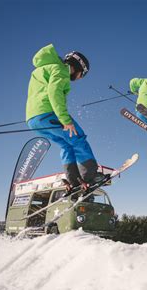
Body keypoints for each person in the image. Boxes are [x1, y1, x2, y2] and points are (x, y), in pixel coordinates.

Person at [26, 44, 104, 193]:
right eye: (83, 74)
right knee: (78, 138)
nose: (80, 78)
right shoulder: (61, 69)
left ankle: (73, 180)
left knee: (66, 145)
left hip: (34, 119)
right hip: (49, 113)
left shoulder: (43, 69)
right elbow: (54, 92)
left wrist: (38, 116)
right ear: (79, 68)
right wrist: (65, 120)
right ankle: (89, 176)